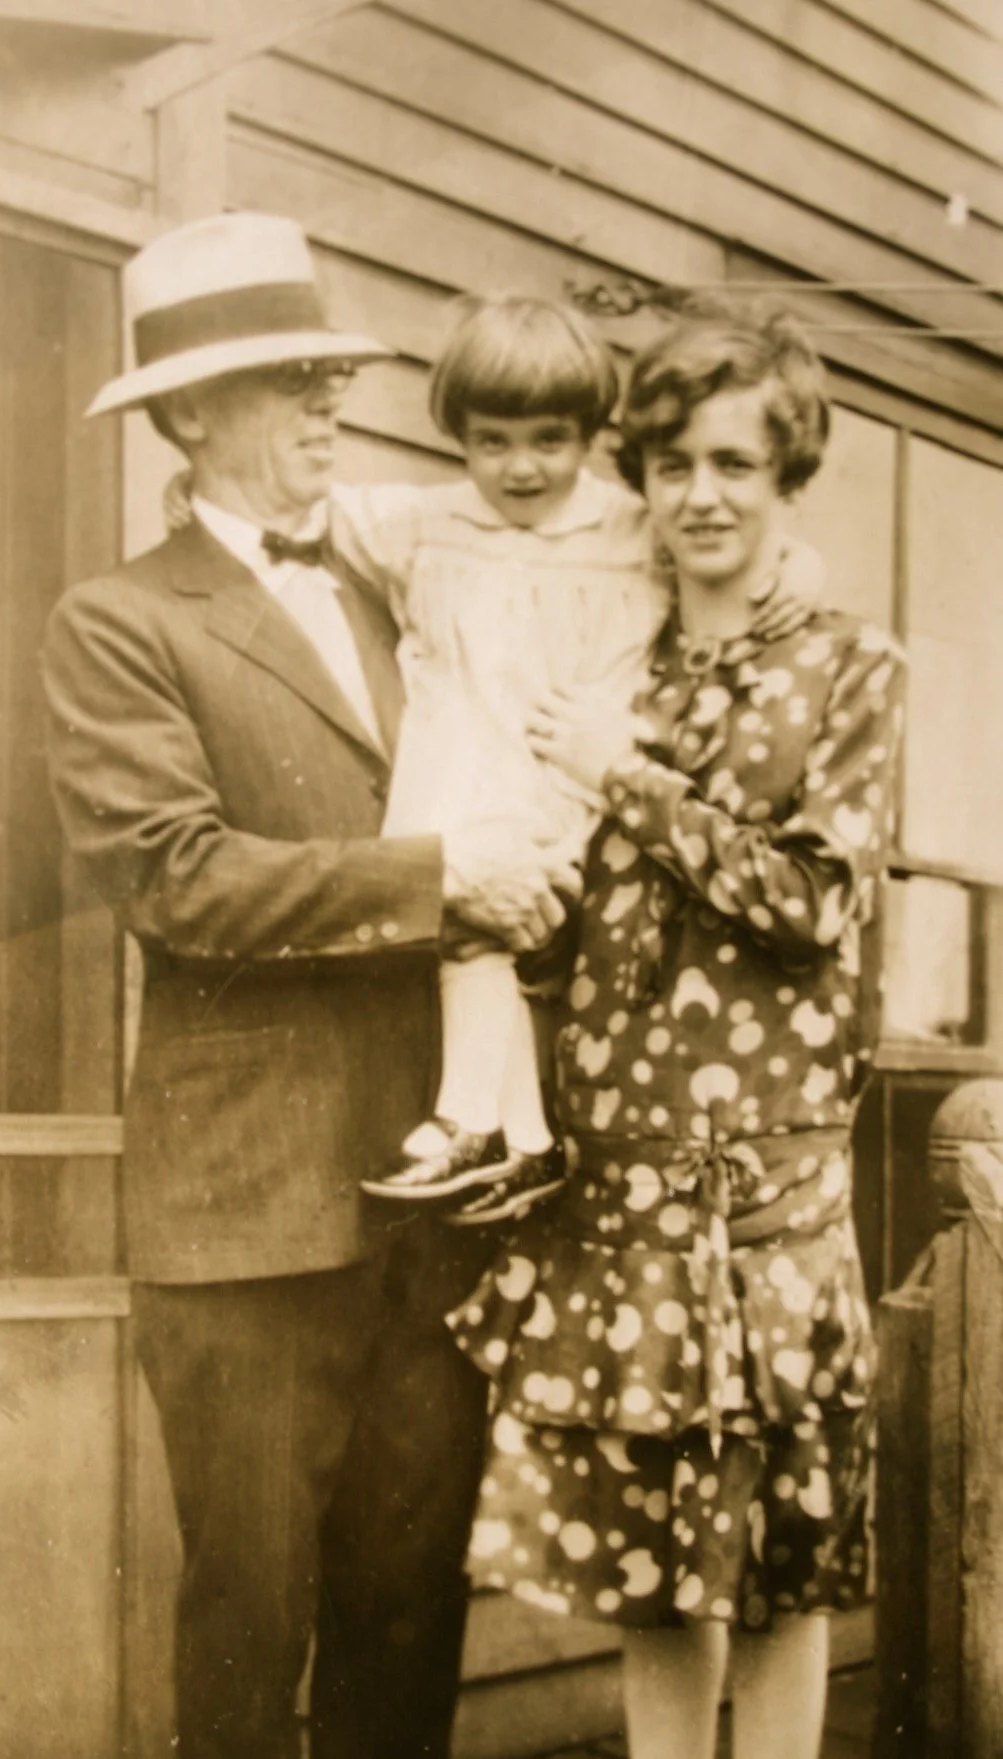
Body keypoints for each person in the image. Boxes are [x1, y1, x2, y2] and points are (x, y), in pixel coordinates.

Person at [41, 210, 570, 1759]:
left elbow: (500, 804)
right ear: (190, 415)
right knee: (248, 1623)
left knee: (405, 1626)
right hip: (246, 1220)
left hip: (429, 1209)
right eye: (290, 376)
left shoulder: (400, 604)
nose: (330, 398)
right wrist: (441, 878)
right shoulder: (119, 623)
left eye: (331, 371)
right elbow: (175, 878)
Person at [447, 301, 905, 1759]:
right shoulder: (617, 668)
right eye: (671, 465)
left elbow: (808, 901)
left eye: (733, 464)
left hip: (764, 1195)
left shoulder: (848, 666)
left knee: (771, 1569)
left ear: (784, 476)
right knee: (651, 1570)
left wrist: (625, 780)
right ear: (639, 476)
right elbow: (578, 928)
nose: (699, 495)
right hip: (621, 1184)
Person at [322, 296, 825, 1223]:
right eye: (492, 441)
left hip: (565, 761)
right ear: (456, 435)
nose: (521, 467)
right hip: (465, 757)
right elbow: (311, 517)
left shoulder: (629, 528)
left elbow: (745, 545)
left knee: (495, 935)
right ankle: (522, 1135)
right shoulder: (423, 523)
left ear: (591, 434)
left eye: (549, 440)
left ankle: (469, 1116)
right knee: (475, 928)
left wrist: (799, 568)